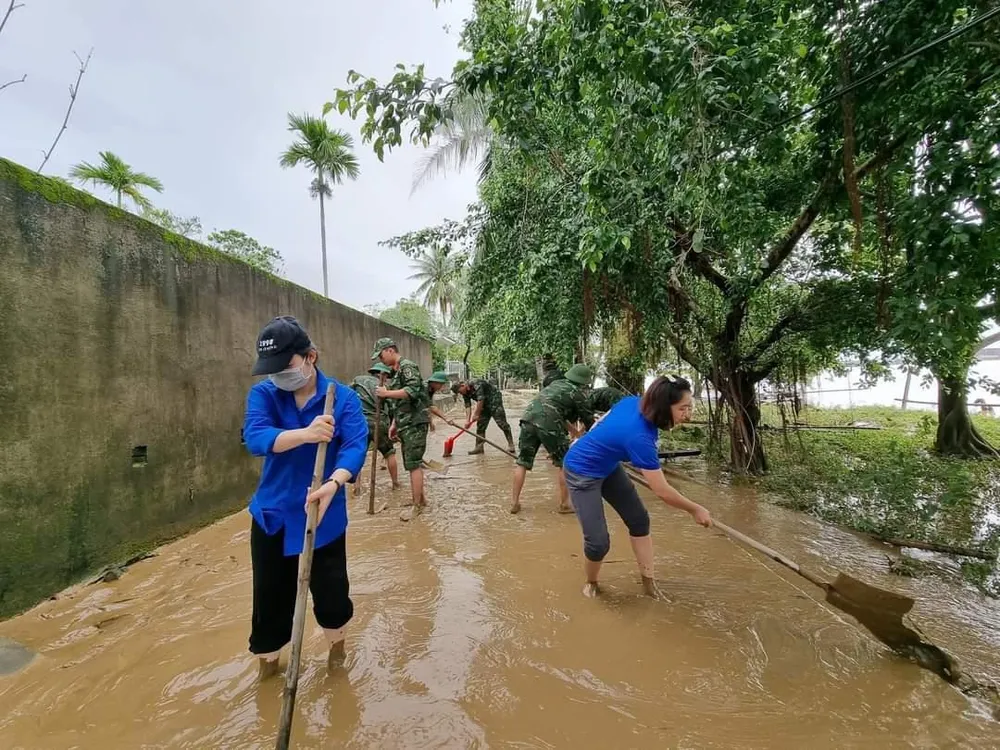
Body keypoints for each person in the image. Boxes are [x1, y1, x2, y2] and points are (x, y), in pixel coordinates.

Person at [242, 316, 369, 679]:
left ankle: (337, 657)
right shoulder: (264, 395)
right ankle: (268, 670)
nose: (280, 375)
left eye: (287, 366)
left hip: (323, 511)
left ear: (310, 357)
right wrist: (306, 433)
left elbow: (355, 445)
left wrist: (335, 481)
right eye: (273, 369)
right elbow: (257, 438)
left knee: (331, 595)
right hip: (273, 515)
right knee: (269, 601)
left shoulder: (340, 397)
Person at [562, 376, 712, 599]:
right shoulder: (639, 437)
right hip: (581, 472)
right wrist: (695, 509)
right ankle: (591, 582)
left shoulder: (634, 402)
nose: (687, 415)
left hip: (609, 466)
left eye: (689, 407)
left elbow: (601, 422)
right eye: (683, 408)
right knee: (598, 543)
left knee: (639, 520)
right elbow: (662, 491)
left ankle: (649, 584)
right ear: (663, 406)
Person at [511, 364, 595, 515]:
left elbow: (555, 412)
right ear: (584, 382)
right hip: (549, 424)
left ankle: (514, 502)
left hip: (528, 419)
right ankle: (565, 504)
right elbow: (590, 423)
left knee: (522, 462)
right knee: (564, 462)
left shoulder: (554, 385)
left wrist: (576, 433)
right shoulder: (577, 394)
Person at [372, 338, 432, 510]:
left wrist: (386, 392)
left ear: (390, 350)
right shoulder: (396, 371)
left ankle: (417, 506)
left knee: (414, 465)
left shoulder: (407, 367)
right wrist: (394, 424)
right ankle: (420, 500)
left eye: (381, 355)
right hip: (405, 423)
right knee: (411, 464)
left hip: (415, 423)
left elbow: (411, 391)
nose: (380, 359)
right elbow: (400, 404)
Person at [350, 362, 400, 494]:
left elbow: (348, 395)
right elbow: (393, 409)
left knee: (359, 454)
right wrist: (394, 426)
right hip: (379, 421)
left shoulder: (358, 380)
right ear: (381, 375)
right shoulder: (385, 388)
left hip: (360, 422)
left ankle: (356, 487)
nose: (386, 379)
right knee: (389, 453)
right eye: (386, 376)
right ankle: (395, 484)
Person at [452, 378, 516, 454]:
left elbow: (481, 399)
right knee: (480, 425)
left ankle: (511, 444)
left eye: (460, 391)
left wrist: (476, 414)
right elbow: (467, 406)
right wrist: (467, 421)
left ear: (462, 385)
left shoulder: (476, 383)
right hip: (483, 405)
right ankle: (479, 447)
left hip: (494, 401)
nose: (460, 394)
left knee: (501, 423)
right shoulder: (465, 392)